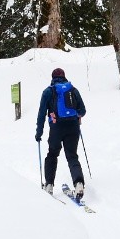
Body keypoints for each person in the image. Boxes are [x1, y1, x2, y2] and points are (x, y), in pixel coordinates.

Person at [36, 68, 87, 199]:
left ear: (52, 78)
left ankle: (49, 185)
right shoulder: (73, 90)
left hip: (56, 129)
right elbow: (82, 110)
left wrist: (39, 133)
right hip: (73, 127)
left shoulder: (48, 91)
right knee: (72, 156)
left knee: (52, 155)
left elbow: (41, 114)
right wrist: (76, 116)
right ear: (64, 77)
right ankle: (79, 183)